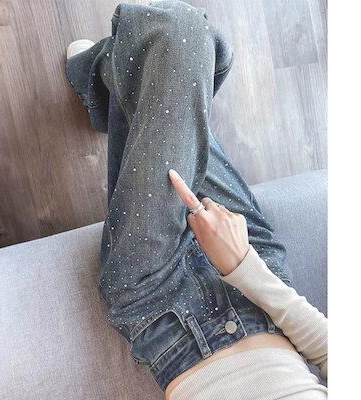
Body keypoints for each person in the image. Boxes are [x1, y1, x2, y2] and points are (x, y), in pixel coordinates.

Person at [65, 1, 327, 398]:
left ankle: (104, 76)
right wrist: (243, 266)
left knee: (181, 34)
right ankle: (105, 82)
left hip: (162, 312)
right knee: (189, 45)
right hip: (260, 285)